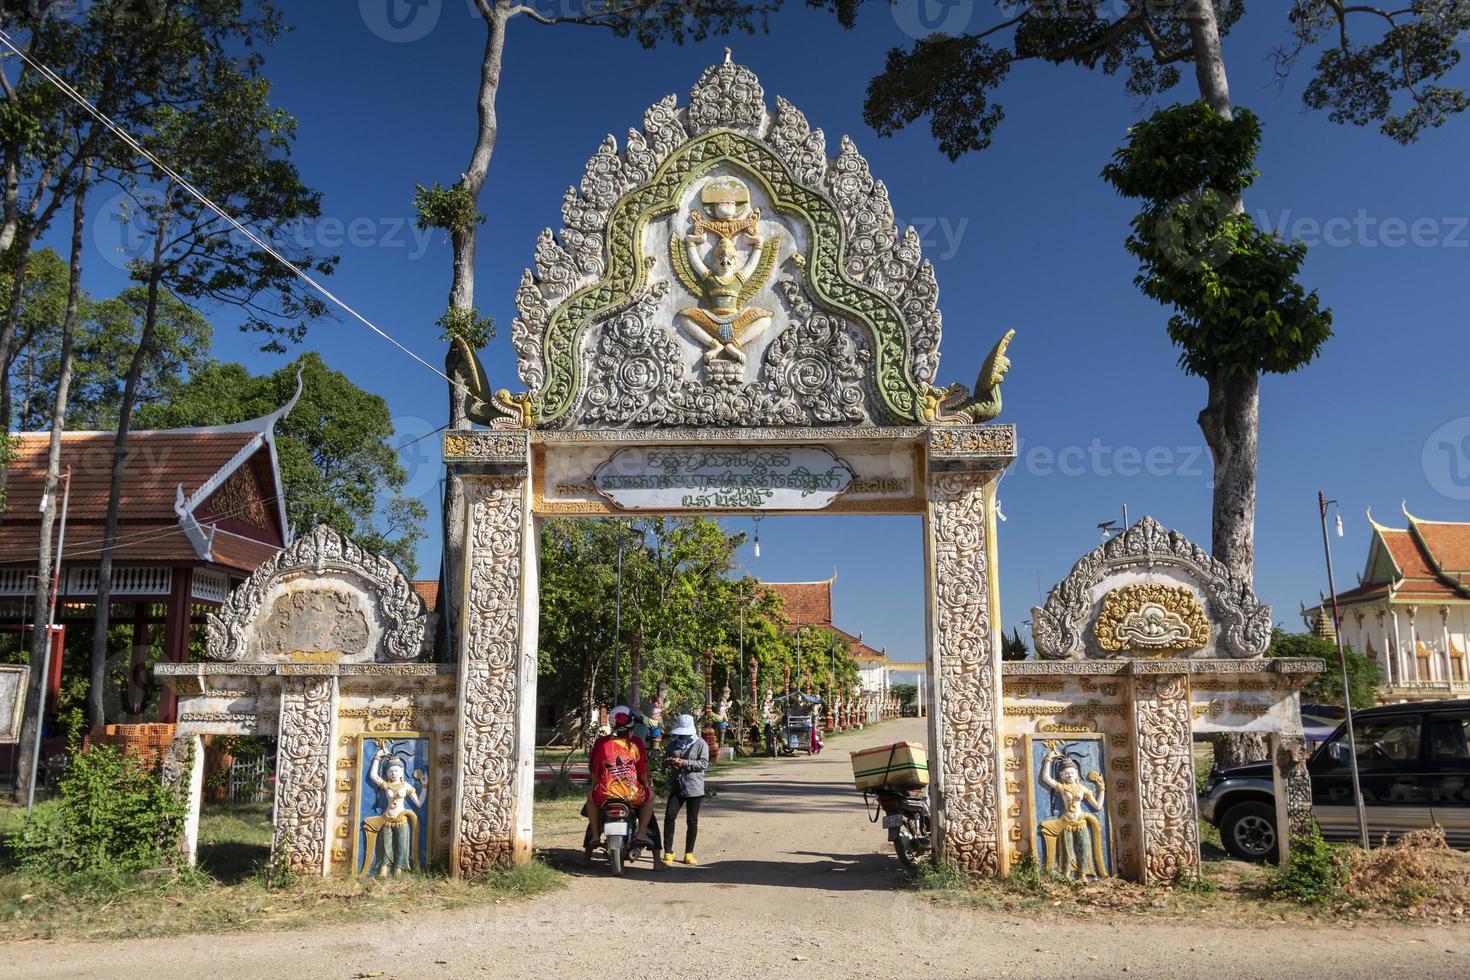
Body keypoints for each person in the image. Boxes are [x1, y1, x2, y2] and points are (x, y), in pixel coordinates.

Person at [586, 705, 656, 855]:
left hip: (605, 793)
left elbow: (594, 771)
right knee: (651, 797)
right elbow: (643, 775)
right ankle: (642, 833)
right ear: (631, 727)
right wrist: (646, 786)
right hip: (631, 793)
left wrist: (593, 789)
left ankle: (595, 836)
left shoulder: (602, 744)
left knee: (591, 800)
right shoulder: (636, 744)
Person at [662, 714, 709, 866]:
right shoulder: (672, 744)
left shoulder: (701, 744)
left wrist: (683, 763)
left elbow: (703, 764)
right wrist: (668, 762)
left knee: (692, 821)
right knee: (669, 817)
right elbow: (665, 760)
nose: (682, 737)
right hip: (677, 787)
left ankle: (689, 853)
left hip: (694, 788)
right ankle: (668, 851)